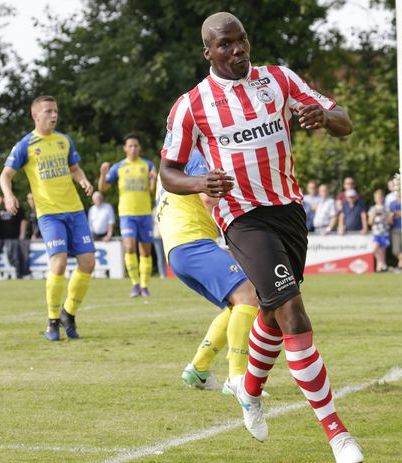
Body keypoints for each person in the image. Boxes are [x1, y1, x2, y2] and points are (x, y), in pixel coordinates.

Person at [159, 12, 362, 463]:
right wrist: (200, 184)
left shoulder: (279, 79)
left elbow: (344, 119)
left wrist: (324, 119)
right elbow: (169, 171)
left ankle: (248, 390)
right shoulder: (192, 104)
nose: (238, 51)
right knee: (292, 312)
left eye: (242, 41)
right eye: (226, 45)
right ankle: (337, 433)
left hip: (289, 210)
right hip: (242, 218)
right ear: (207, 52)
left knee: (271, 312)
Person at [156, 149, 259, 391]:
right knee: (249, 295)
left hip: (178, 248)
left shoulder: (173, 161)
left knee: (238, 303)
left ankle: (198, 369)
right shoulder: (195, 155)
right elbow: (209, 199)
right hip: (192, 241)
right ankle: (237, 378)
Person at [0, 95, 95, 341]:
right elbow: (6, 175)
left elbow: (75, 169)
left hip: (74, 210)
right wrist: (8, 196)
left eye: (56, 111)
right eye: (48, 111)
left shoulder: (64, 141)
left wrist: (83, 180)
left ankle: (68, 313)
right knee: (60, 263)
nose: (54, 115)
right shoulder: (26, 145)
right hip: (49, 213)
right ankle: (52, 320)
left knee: (88, 263)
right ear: (36, 115)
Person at [98, 134, 156, 297]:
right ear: (124, 148)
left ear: (140, 148)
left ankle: (145, 286)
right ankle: (135, 284)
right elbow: (103, 188)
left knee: (145, 251)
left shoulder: (147, 165)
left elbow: (153, 190)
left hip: (144, 213)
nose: (133, 148)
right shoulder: (119, 167)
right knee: (129, 247)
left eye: (136, 145)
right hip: (127, 214)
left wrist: (153, 178)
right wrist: (103, 173)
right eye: (130, 146)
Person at [0, 203, 30, 279]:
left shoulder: (17, 209)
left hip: (16, 238)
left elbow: (23, 221)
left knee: (17, 255)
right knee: (11, 255)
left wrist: (22, 234)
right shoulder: (0, 210)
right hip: (3, 239)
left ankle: (20, 272)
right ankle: (16, 272)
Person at [367, 189, 392, 272]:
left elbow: (391, 221)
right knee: (375, 248)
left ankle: (380, 267)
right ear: (375, 199)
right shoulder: (372, 209)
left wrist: (385, 215)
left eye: (381, 197)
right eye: (378, 197)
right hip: (376, 233)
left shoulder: (387, 208)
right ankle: (383, 265)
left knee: (382, 251)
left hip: (384, 232)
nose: (379, 199)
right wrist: (374, 214)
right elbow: (370, 222)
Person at [384, 179, 402, 269]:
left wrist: (397, 214)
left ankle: (401, 265)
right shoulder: (392, 203)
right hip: (395, 228)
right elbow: (390, 217)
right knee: (395, 250)